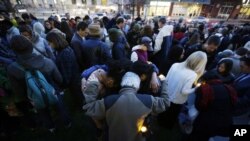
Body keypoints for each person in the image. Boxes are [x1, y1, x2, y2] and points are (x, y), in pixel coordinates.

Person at [7, 35, 71, 132]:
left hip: (33, 95)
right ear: (31, 46)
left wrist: (27, 97)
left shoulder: (12, 69)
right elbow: (59, 79)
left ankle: (51, 127)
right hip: (53, 90)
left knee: (43, 112)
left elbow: (18, 91)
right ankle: (67, 123)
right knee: (60, 107)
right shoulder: (48, 62)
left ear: (14, 50)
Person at [83, 71, 170, 141]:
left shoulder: (108, 101)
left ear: (122, 84)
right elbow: (165, 102)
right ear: (138, 86)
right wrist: (164, 82)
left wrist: (93, 83)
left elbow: (89, 107)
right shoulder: (147, 100)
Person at [158, 51, 207, 129]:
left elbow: (166, 79)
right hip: (176, 99)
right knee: (171, 115)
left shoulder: (176, 65)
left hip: (166, 93)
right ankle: (166, 126)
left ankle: (159, 122)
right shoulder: (192, 74)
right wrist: (195, 89)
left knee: (163, 112)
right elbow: (184, 91)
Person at [187, 71, 237, 141]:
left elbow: (199, 106)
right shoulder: (229, 88)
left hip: (207, 122)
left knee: (197, 137)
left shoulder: (205, 89)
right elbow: (234, 103)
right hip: (226, 122)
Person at [46, 32, 83, 109]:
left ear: (55, 41)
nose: (49, 45)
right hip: (75, 78)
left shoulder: (64, 53)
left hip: (73, 81)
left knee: (77, 96)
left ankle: (81, 107)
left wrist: (63, 85)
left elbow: (66, 73)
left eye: (50, 43)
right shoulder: (65, 49)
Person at [233, 56, 250, 121]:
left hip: (238, 112)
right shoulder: (245, 73)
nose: (240, 68)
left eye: (242, 66)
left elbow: (246, 100)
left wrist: (229, 98)